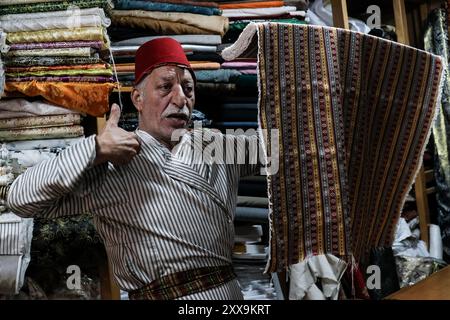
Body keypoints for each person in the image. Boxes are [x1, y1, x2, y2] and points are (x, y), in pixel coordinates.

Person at [6, 38, 260, 300]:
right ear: (137, 98)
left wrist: (268, 59)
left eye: (188, 88)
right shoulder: (114, 163)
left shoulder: (215, 146)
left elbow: (286, 149)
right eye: (165, 87)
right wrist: (95, 148)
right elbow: (19, 199)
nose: (180, 98)